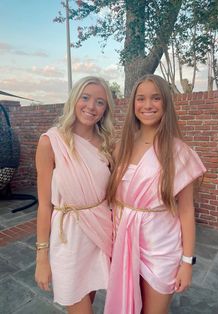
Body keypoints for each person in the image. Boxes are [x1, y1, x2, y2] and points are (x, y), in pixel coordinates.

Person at [104, 74, 206, 314]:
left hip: (160, 248)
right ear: (133, 105)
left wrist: (187, 262)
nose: (147, 105)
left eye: (155, 98)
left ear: (166, 103)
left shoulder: (178, 152)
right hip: (124, 241)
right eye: (141, 99)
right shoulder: (122, 147)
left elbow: (186, 211)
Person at [35, 76, 115, 314]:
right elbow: (44, 206)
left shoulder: (107, 144)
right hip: (68, 239)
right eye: (85, 97)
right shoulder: (50, 142)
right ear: (74, 100)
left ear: (105, 110)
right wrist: (41, 257)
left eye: (100, 102)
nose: (91, 107)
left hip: (100, 235)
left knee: (89, 299)